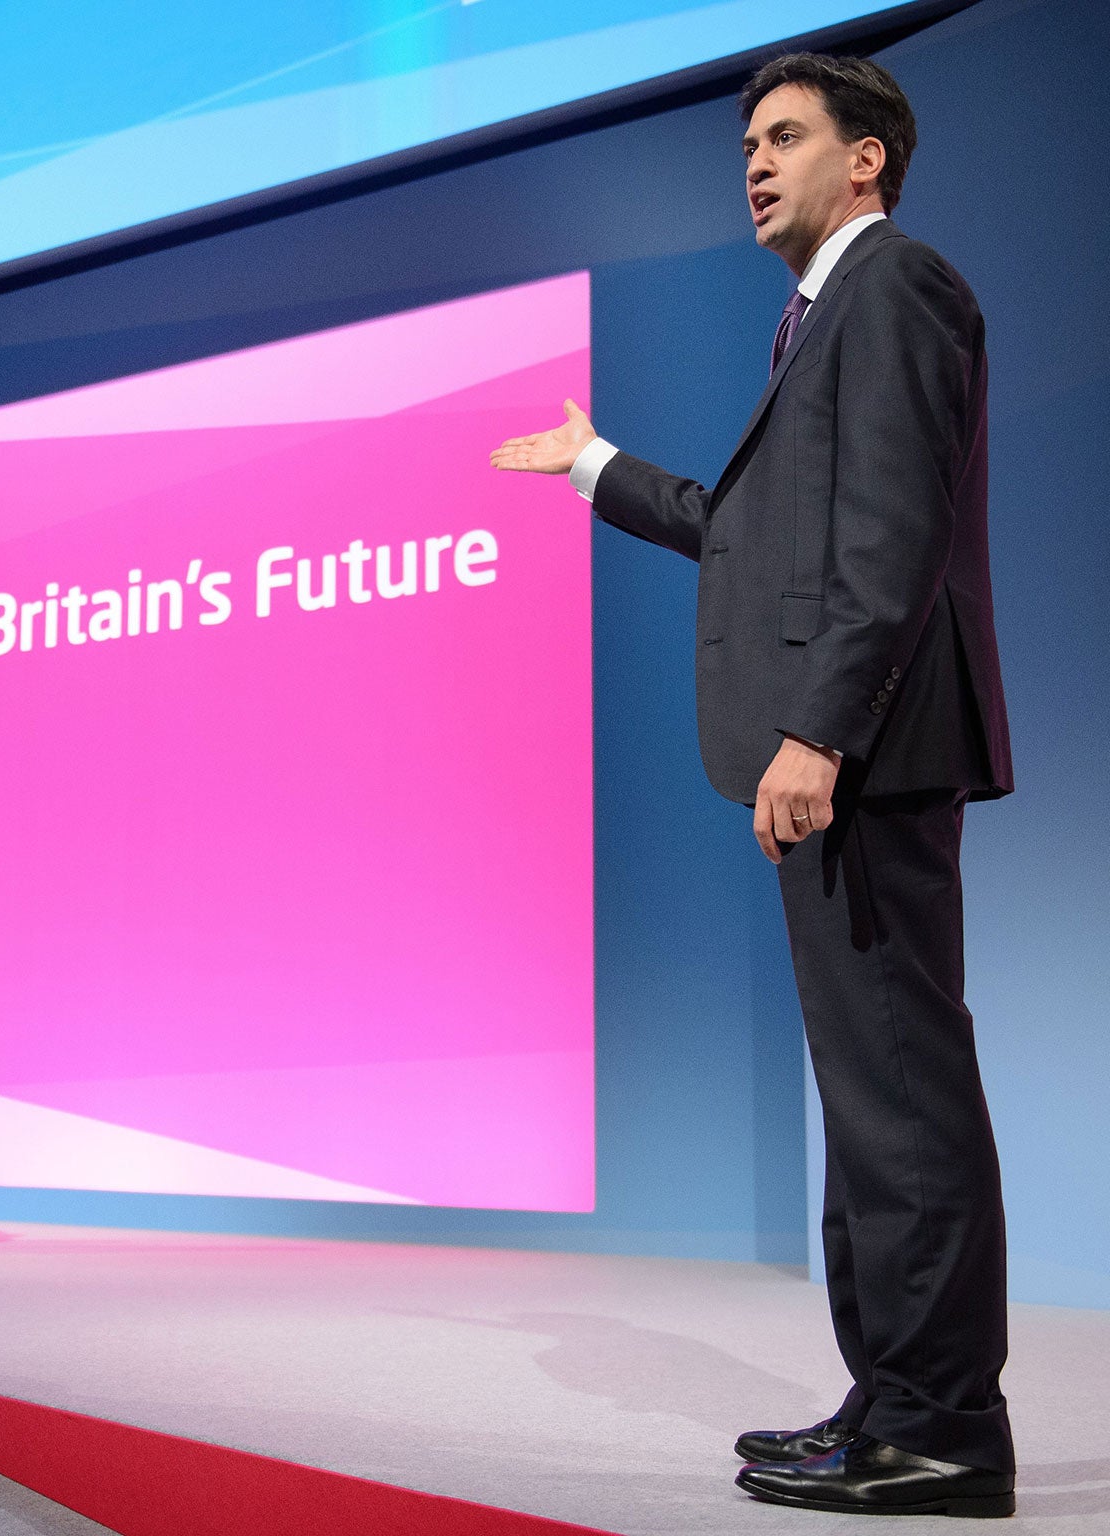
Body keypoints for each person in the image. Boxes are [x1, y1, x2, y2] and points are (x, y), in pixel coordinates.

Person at [491, 52, 1012, 1518]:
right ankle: (894, 1396)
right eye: (746, 145)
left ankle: (949, 1427)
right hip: (850, 750)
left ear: (869, 159)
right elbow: (756, 529)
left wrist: (823, 730)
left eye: (785, 136)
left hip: (869, 751)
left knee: (901, 1093)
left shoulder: (897, 286)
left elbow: (893, 537)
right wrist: (598, 467)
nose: (755, 163)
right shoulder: (821, 317)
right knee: (870, 1095)